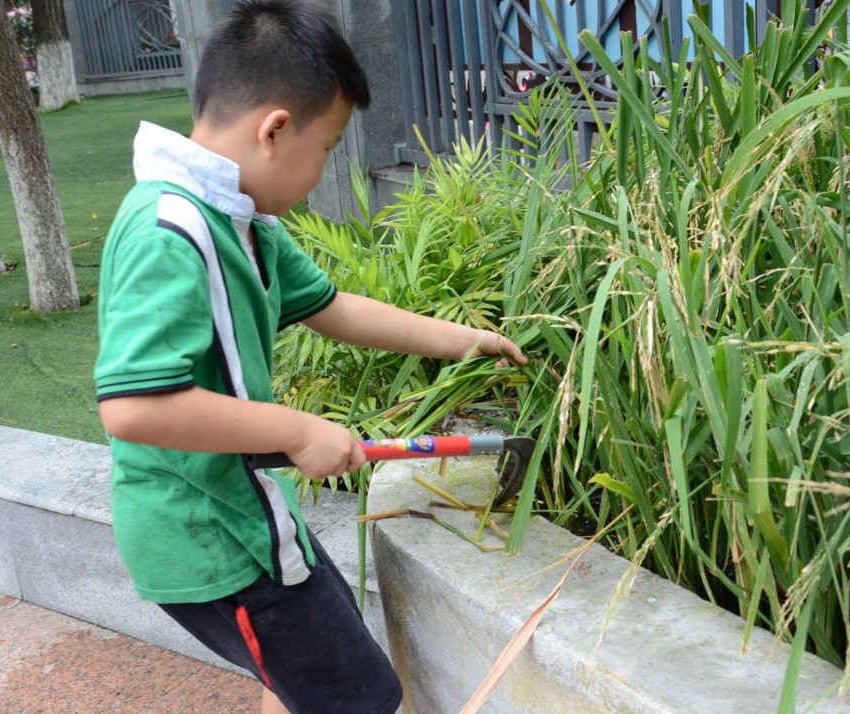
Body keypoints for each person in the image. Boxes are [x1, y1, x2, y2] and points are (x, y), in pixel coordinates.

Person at [93, 1, 526, 712]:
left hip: (250, 519)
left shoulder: (242, 218)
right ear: (275, 130)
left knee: (308, 677)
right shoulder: (170, 231)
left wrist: (459, 338)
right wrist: (297, 430)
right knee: (362, 697)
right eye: (327, 147)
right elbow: (134, 408)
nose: (325, 164)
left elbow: (334, 310)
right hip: (214, 539)